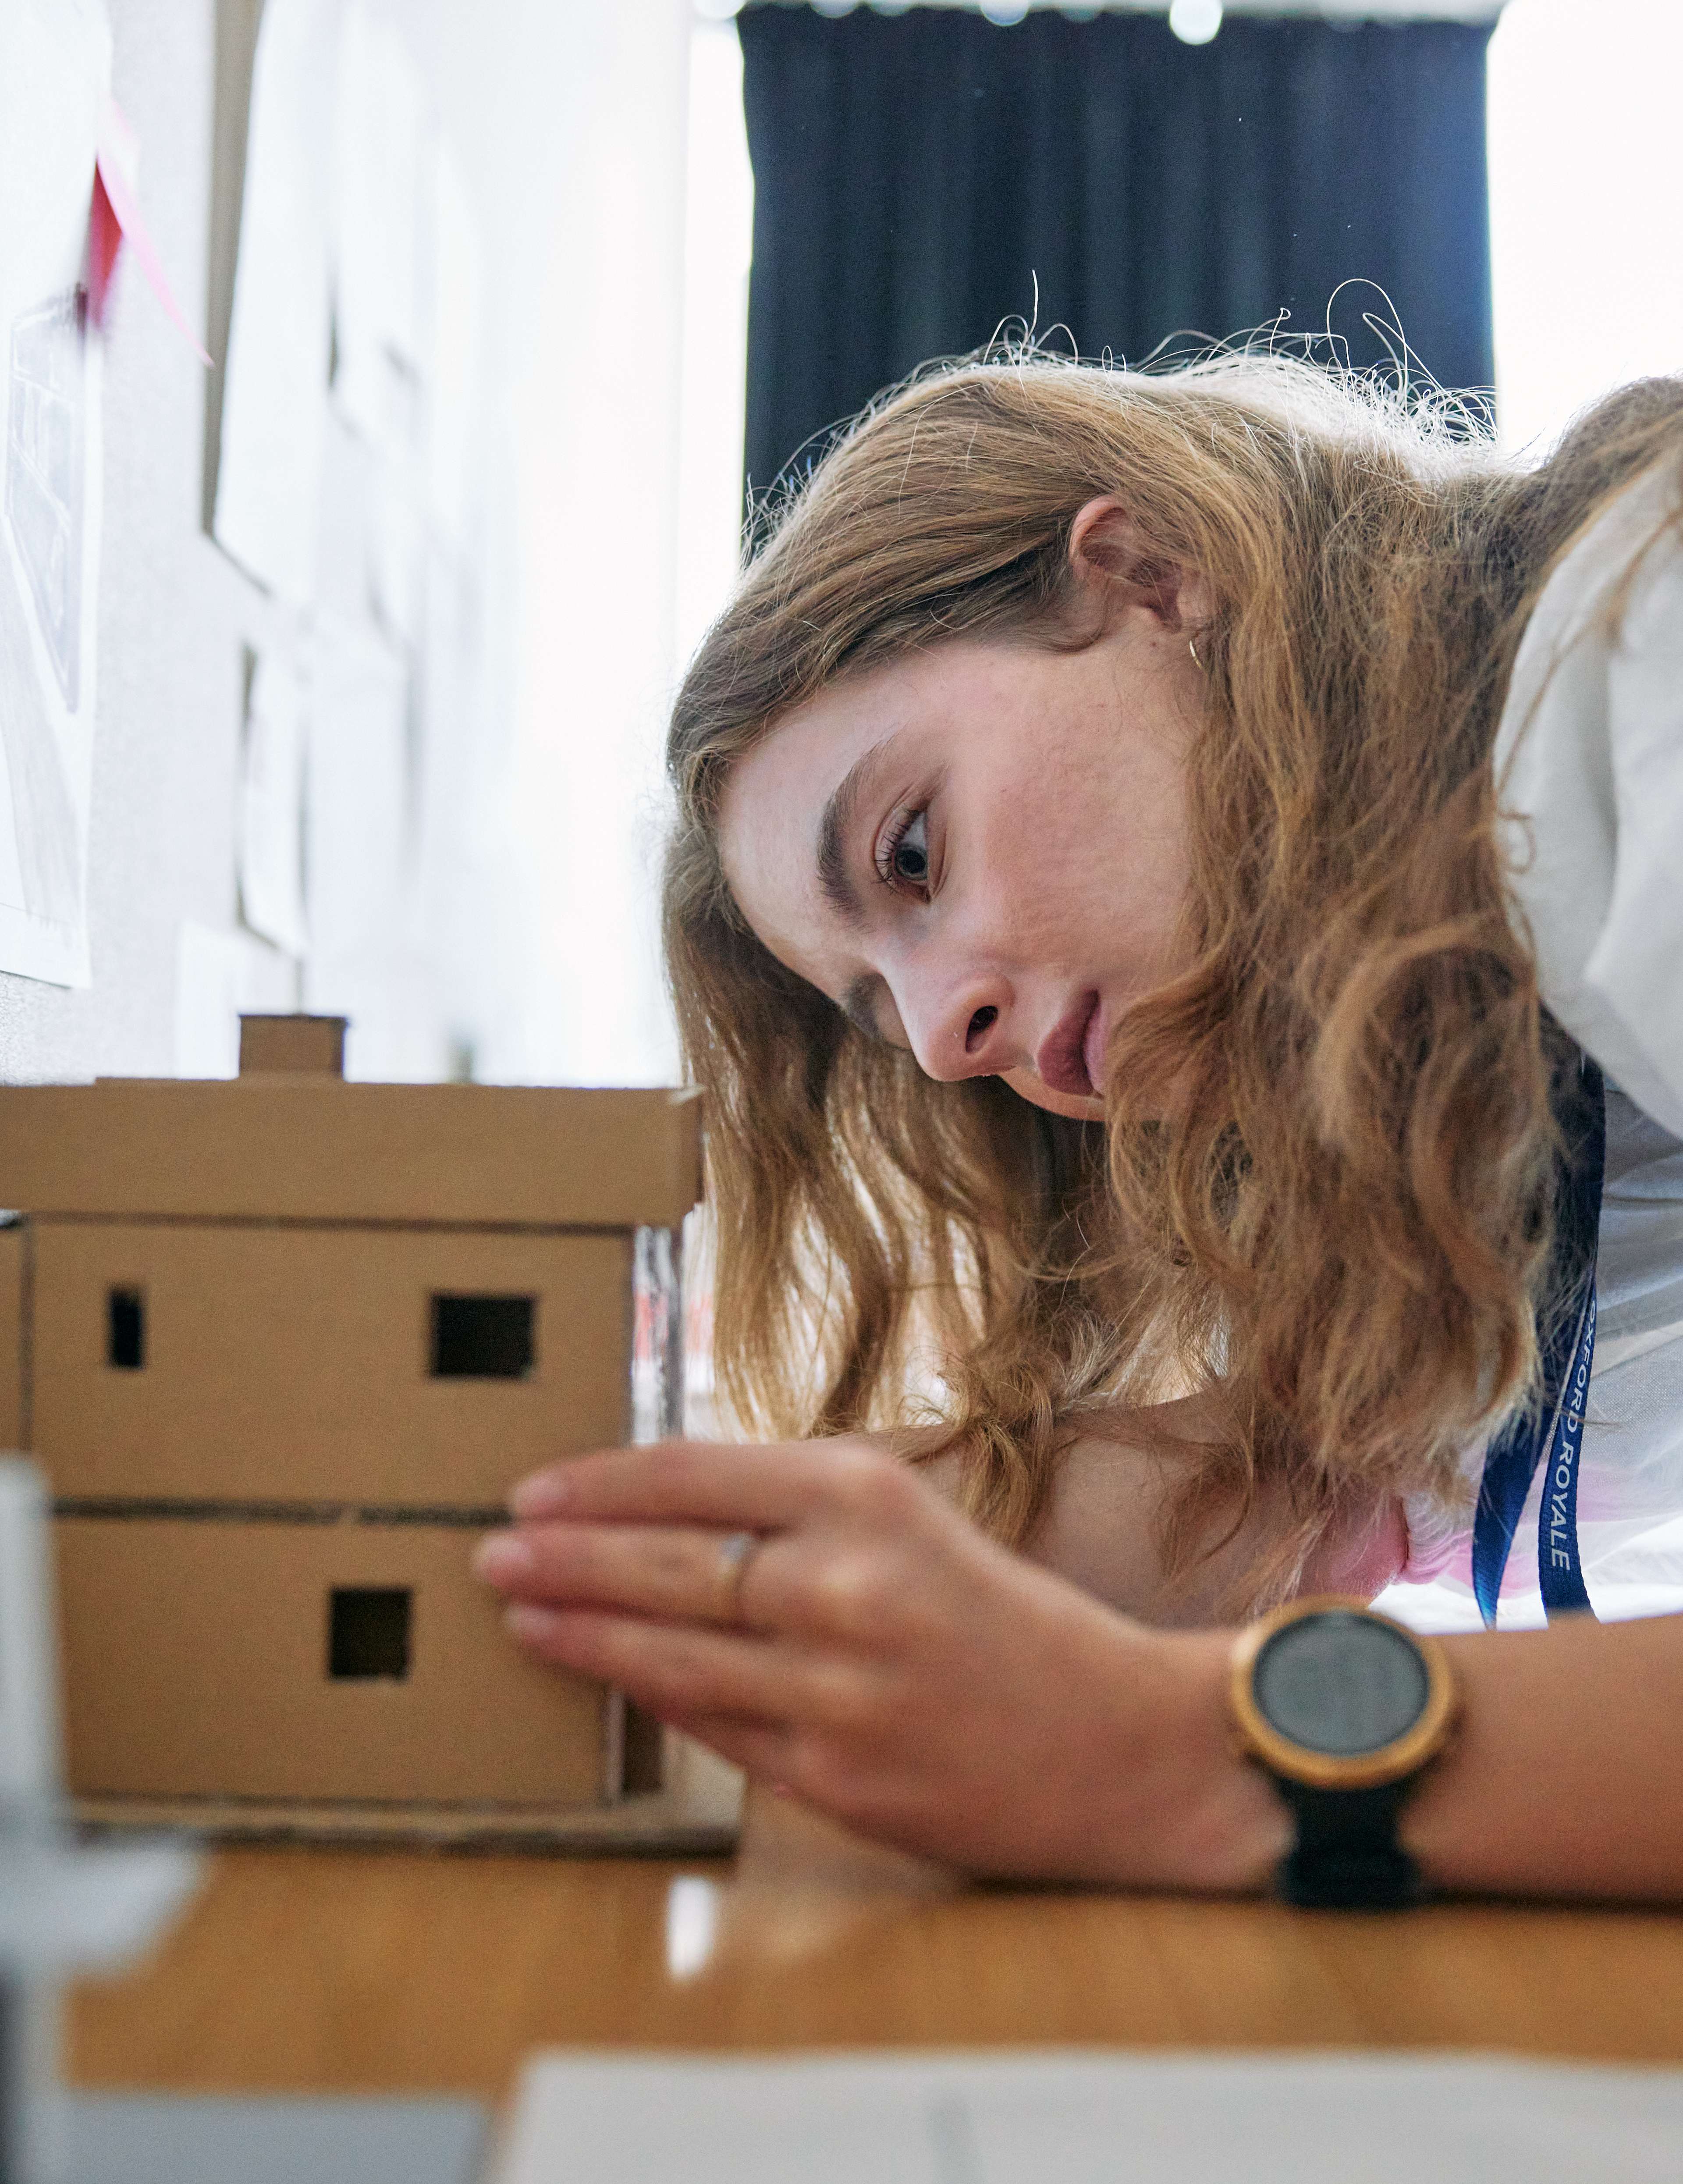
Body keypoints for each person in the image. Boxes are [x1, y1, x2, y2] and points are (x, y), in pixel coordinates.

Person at [476, 354, 1683, 1900]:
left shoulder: (1629, 682)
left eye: (912, 852)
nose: (940, 1041)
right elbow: (1299, 1487)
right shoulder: (1507, 1096)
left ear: (1153, 575)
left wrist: (1181, 1758)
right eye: (875, 1010)